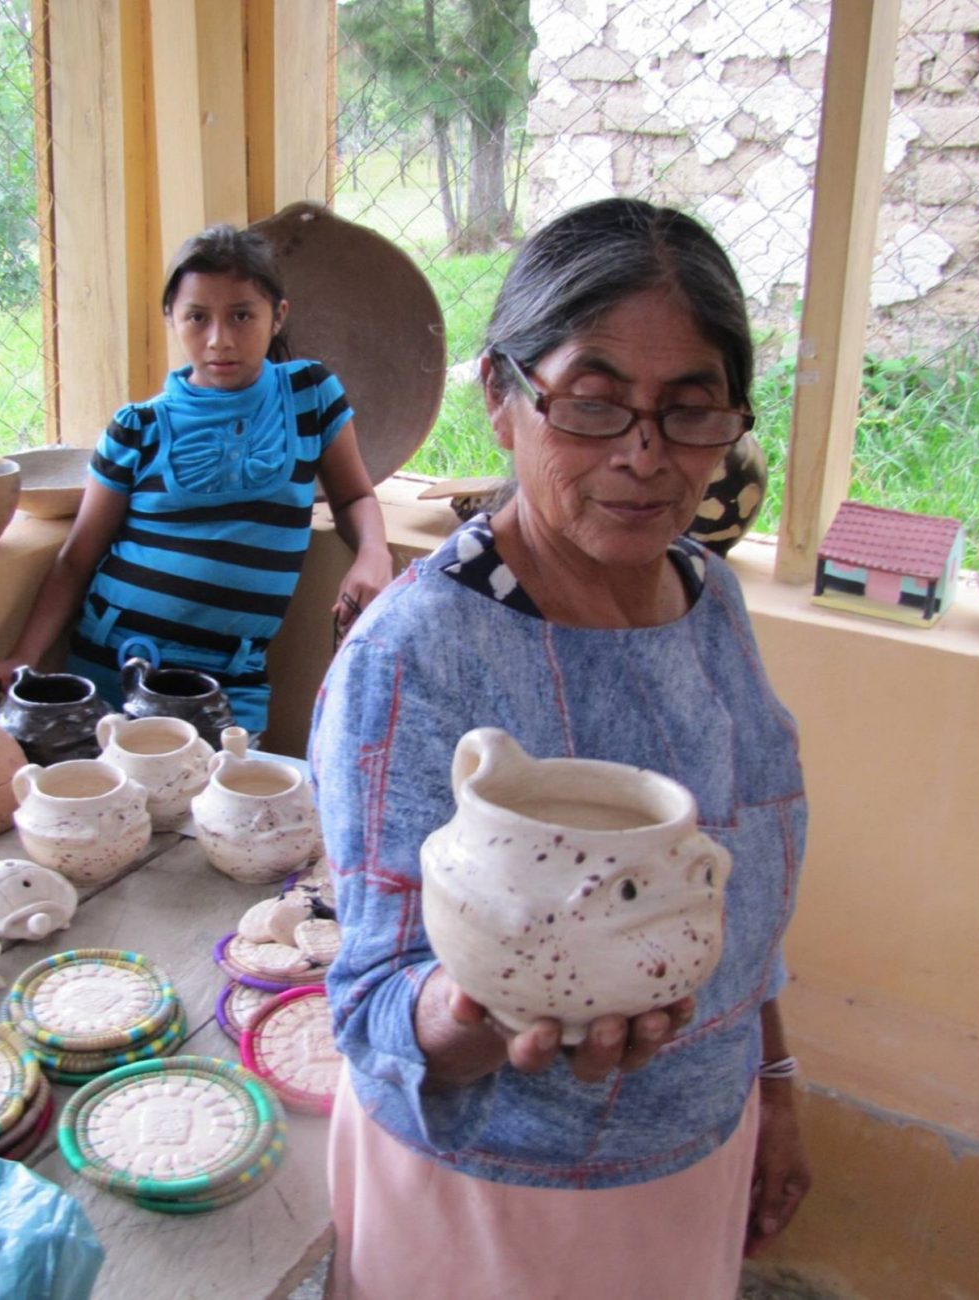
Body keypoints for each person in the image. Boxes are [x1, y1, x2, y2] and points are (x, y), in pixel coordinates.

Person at [308, 198, 813, 1298]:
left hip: (688, 1154)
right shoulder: (417, 654)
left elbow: (742, 871)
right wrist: (479, 1010)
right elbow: (371, 1005)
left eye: (691, 412)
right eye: (591, 402)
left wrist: (772, 1079)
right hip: (489, 1194)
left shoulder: (708, 596)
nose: (643, 456)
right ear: (501, 396)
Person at [0, 224, 396, 732]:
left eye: (242, 315)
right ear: (172, 318)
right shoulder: (136, 428)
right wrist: (21, 657)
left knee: (224, 808)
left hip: (231, 686)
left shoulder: (310, 395)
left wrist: (373, 554)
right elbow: (77, 558)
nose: (219, 339)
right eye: (197, 318)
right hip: (116, 671)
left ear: (279, 317)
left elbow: (355, 495)